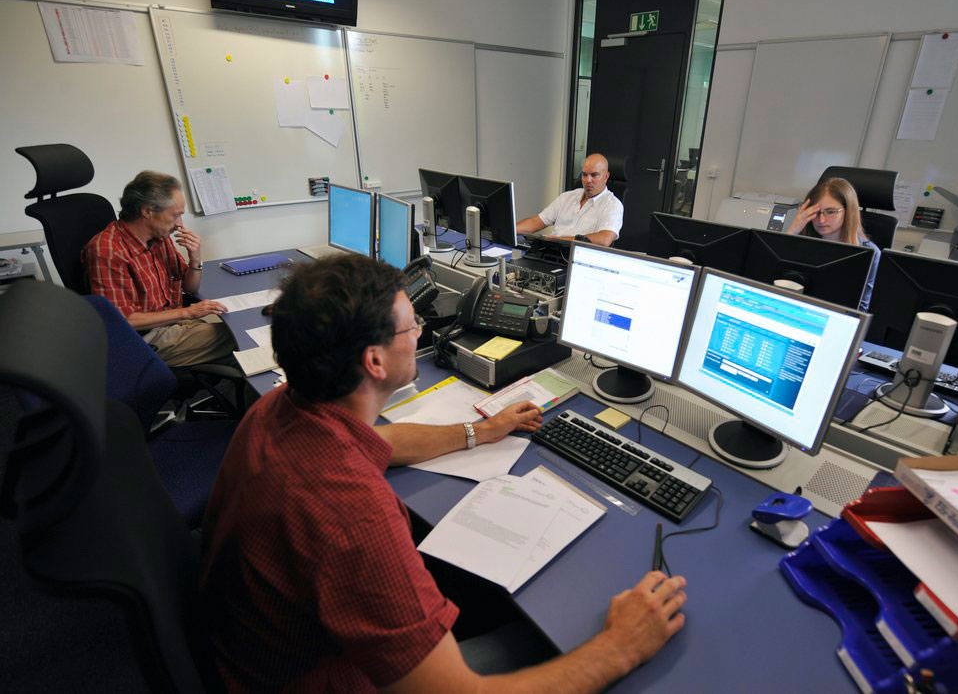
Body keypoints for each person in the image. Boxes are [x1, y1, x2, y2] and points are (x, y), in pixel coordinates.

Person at [200, 253, 688, 693]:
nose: (419, 335)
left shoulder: (281, 408)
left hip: (253, 651)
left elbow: (378, 443)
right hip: (322, 680)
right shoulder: (351, 514)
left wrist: (482, 431)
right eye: (412, 326)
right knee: (550, 638)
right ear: (374, 361)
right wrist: (622, 646)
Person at [82, 171, 235, 367]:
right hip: (145, 339)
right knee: (239, 337)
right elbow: (122, 321)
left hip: (173, 322)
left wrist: (195, 258)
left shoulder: (160, 237)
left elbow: (191, 289)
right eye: (176, 215)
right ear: (147, 211)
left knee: (237, 330)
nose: (180, 224)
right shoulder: (108, 252)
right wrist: (188, 313)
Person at [785, 176, 881, 311]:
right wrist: (792, 231)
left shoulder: (869, 253)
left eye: (831, 212)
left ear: (848, 212)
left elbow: (861, 308)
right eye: (816, 213)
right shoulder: (803, 242)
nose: (822, 220)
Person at [515, 153, 622, 246]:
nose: (588, 180)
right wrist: (509, 230)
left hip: (577, 258)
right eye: (584, 175)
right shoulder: (567, 197)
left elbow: (604, 239)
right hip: (550, 252)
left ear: (606, 176)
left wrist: (558, 241)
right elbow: (537, 221)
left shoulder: (612, 205)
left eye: (594, 175)